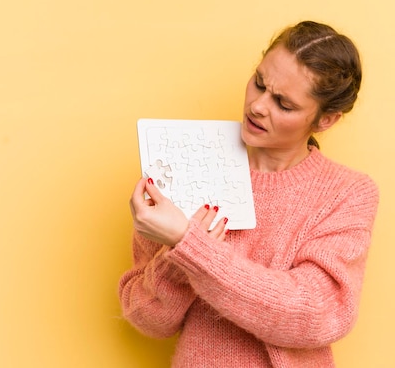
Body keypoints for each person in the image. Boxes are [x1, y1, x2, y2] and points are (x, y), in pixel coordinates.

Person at [119, 20, 379, 368]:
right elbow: (149, 319)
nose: (257, 105)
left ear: (325, 120)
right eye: (259, 83)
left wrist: (189, 244)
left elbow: (316, 314)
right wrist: (176, 259)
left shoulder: (347, 193)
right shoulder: (182, 164)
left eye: (283, 104)